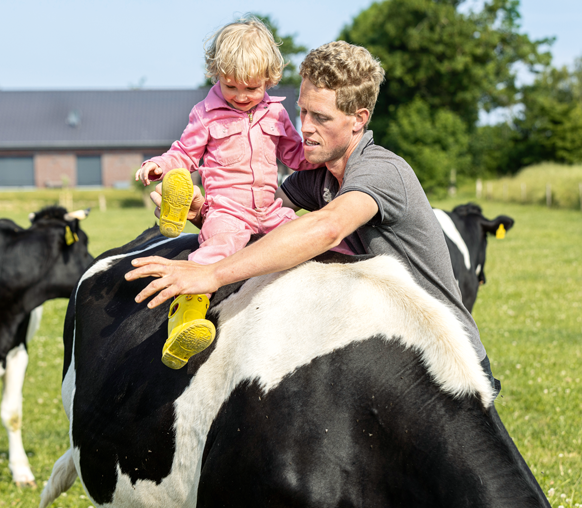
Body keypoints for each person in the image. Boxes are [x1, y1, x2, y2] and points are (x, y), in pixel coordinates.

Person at [128, 41, 499, 391]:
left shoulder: (382, 171)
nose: (304, 127)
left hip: (448, 360)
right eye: (302, 111)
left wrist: (209, 274)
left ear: (359, 119)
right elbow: (260, 225)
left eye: (320, 117)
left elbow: (326, 227)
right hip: (385, 350)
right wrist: (205, 212)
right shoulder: (313, 179)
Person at [134, 17, 319, 370]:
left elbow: (294, 155)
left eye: (250, 89)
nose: (240, 96)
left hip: (269, 207)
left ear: (270, 78)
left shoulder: (276, 112)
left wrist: (325, 159)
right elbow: (185, 153)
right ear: (216, 74)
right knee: (214, 252)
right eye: (230, 86)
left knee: (302, 239)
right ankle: (185, 321)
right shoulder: (205, 113)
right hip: (227, 209)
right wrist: (162, 164)